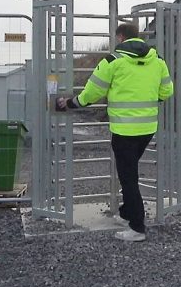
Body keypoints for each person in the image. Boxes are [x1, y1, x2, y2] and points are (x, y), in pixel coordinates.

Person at [57, 23, 173, 242]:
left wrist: (72, 103)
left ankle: (137, 227)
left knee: (128, 178)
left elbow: (93, 92)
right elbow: (167, 90)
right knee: (130, 172)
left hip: (124, 131)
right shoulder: (157, 60)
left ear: (120, 38)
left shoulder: (112, 61)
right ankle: (126, 213)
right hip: (147, 129)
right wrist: (148, 99)